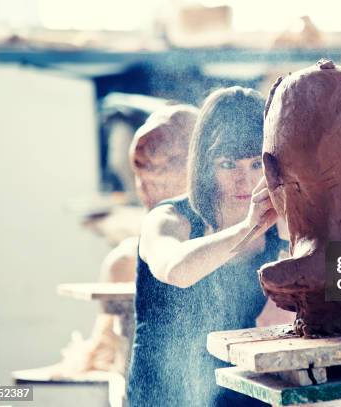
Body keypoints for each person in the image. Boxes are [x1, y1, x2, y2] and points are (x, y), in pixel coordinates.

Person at [127, 87, 285, 406]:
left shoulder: (276, 228)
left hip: (238, 391)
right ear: (203, 165)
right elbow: (176, 269)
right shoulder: (168, 218)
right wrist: (248, 227)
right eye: (228, 165)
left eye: (256, 165)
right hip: (163, 396)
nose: (245, 180)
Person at [49, 104, 199, 377]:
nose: (147, 182)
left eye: (169, 165)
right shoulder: (127, 259)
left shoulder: (255, 242)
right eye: (141, 170)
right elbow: (104, 353)